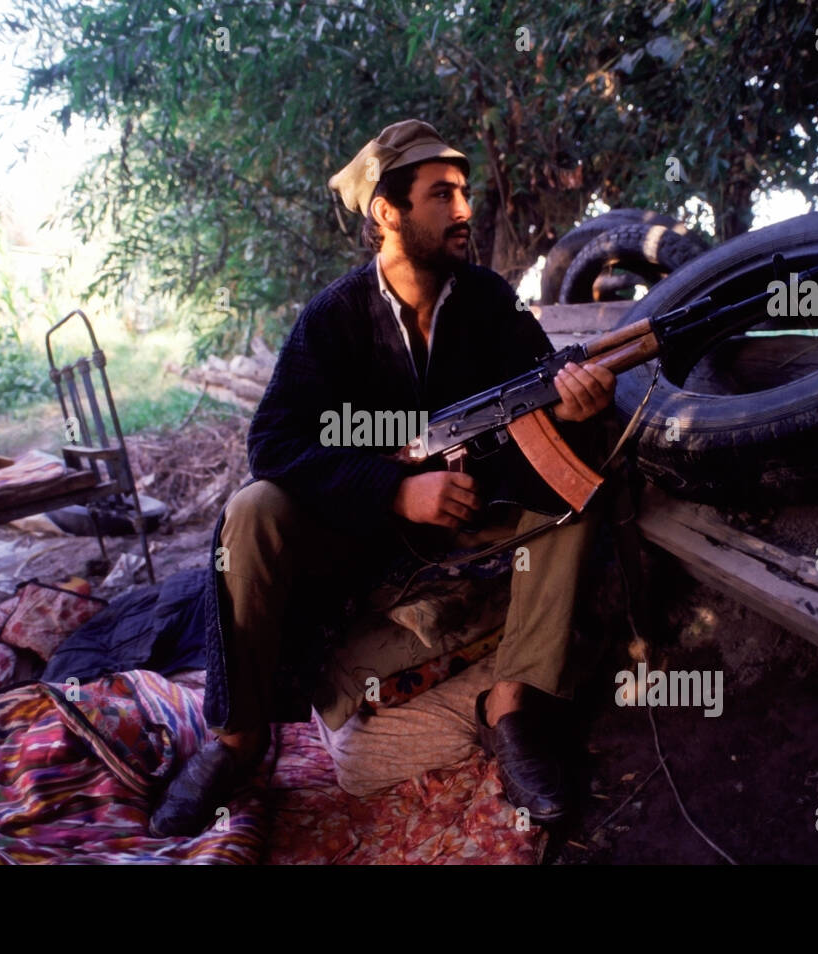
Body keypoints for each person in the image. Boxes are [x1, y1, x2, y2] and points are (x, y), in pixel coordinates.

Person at [151, 119, 617, 837]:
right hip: (361, 536)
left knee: (575, 484)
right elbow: (273, 440)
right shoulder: (334, 320)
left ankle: (511, 705)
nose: (464, 210)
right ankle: (238, 740)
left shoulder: (491, 303)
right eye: (442, 195)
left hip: (476, 520)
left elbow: (541, 401)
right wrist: (391, 488)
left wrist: (581, 406)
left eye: (464, 192)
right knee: (252, 511)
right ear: (387, 213)